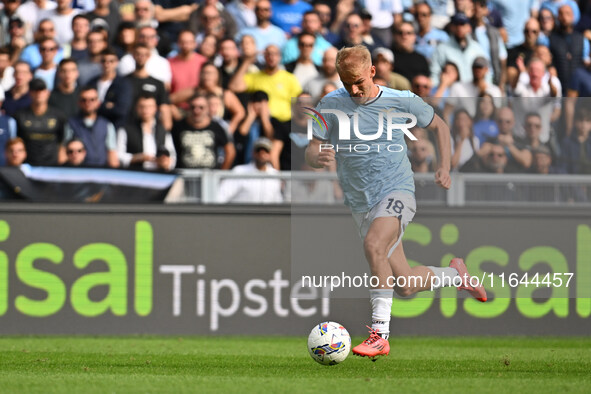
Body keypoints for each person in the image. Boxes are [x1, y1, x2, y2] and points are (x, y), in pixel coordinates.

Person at [304, 45, 486, 360]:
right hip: (360, 203)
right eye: (347, 83)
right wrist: (316, 157)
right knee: (404, 284)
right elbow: (311, 147)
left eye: (359, 81)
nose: (354, 89)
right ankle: (457, 276)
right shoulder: (330, 104)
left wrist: (443, 166)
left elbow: (440, 126)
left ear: (373, 71)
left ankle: (380, 334)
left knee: (375, 246)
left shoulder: (400, 100)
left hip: (397, 190)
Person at [171, 92, 235, 169]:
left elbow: (230, 152)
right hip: (185, 176)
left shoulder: (217, 127)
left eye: (201, 107)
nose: (196, 110)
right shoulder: (178, 127)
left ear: (207, 108)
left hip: (209, 177)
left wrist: (221, 173)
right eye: (193, 107)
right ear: (188, 108)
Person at [117, 94, 176, 171]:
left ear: (155, 108)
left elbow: (172, 156)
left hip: (158, 176)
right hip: (134, 174)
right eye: (142, 106)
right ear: (136, 108)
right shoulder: (125, 129)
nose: (145, 110)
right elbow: (118, 155)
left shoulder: (162, 130)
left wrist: (165, 163)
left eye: (149, 107)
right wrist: (136, 158)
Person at [14, 78, 66, 166]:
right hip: (28, 163)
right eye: (35, 91)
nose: (38, 94)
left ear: (47, 93)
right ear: (30, 93)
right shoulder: (20, 116)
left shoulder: (58, 115)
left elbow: (63, 138)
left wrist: (62, 153)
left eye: (41, 90)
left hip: (52, 163)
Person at [64, 86, 118, 168]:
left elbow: (111, 153)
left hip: (101, 172)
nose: (88, 103)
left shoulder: (107, 125)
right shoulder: (71, 124)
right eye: (84, 100)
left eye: (92, 99)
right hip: (79, 172)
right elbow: (65, 151)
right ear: (79, 102)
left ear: (98, 102)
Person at [217, 137, 283, 203]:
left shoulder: (275, 175)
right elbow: (222, 196)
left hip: (267, 213)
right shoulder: (239, 171)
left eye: (266, 151)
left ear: (270, 154)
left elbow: (278, 201)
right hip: (240, 212)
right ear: (253, 153)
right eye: (258, 151)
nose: (262, 154)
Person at [430, 12, 487, 85]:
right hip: (450, 93)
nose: (459, 28)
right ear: (451, 27)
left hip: (473, 91)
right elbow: (435, 74)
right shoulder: (441, 48)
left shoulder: (477, 48)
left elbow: (486, 72)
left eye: (462, 24)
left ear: (469, 27)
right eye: (456, 24)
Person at [88, 48, 132, 130]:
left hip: (116, 127)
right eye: (103, 61)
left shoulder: (123, 84)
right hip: (94, 127)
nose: (107, 64)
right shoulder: (92, 82)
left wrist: (98, 105)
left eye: (111, 61)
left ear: (117, 63)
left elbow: (121, 110)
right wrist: (107, 105)